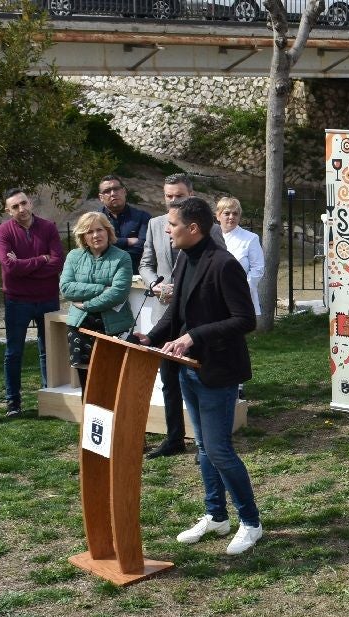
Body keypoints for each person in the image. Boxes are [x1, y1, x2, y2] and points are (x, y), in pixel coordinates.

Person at [134, 197, 262, 555]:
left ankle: (250, 522)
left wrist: (195, 337)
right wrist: (151, 337)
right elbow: (175, 313)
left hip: (218, 370)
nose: (166, 229)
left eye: (172, 224)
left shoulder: (224, 265)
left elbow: (244, 320)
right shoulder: (182, 259)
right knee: (204, 446)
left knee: (219, 449)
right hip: (188, 369)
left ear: (194, 228)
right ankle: (216, 515)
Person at [139, 174, 225, 459]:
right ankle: (174, 437)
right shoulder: (154, 225)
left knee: (200, 378)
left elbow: (218, 270)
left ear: (191, 194)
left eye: (179, 196)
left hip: (199, 321)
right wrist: (155, 285)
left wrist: (190, 286)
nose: (173, 201)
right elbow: (146, 263)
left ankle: (210, 434)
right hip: (168, 315)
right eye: (168, 196)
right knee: (169, 379)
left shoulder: (209, 230)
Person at [0, 188, 65, 417]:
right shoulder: (3, 232)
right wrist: (41, 260)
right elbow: (9, 267)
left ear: (30, 202)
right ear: (8, 210)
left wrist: (25, 265)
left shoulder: (48, 227)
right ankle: (13, 402)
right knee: (14, 352)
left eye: (23, 203)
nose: (21, 209)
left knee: (49, 350)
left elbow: (57, 263)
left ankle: (50, 395)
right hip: (17, 300)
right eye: (15, 207)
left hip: (47, 298)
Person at [58, 213, 135, 390]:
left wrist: (86, 305)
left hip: (113, 326)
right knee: (87, 384)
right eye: (89, 231)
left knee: (112, 382)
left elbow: (118, 293)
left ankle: (115, 418)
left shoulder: (122, 257)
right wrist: (101, 288)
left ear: (108, 231)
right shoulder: (73, 256)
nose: (95, 235)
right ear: (83, 236)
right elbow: (67, 288)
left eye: (99, 229)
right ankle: (90, 418)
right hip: (80, 327)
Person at [216, 196, 264, 315]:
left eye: (235, 214)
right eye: (227, 213)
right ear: (218, 215)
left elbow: (258, 269)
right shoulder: (209, 237)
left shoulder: (250, 238)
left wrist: (241, 289)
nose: (231, 217)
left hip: (240, 297)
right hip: (213, 296)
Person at [97, 174, 150, 274]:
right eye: (107, 191)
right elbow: (94, 246)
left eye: (116, 189)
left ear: (124, 191)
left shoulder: (143, 217)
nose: (113, 193)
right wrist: (127, 241)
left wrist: (109, 244)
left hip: (135, 276)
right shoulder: (94, 220)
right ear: (101, 197)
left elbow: (144, 247)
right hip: (102, 274)